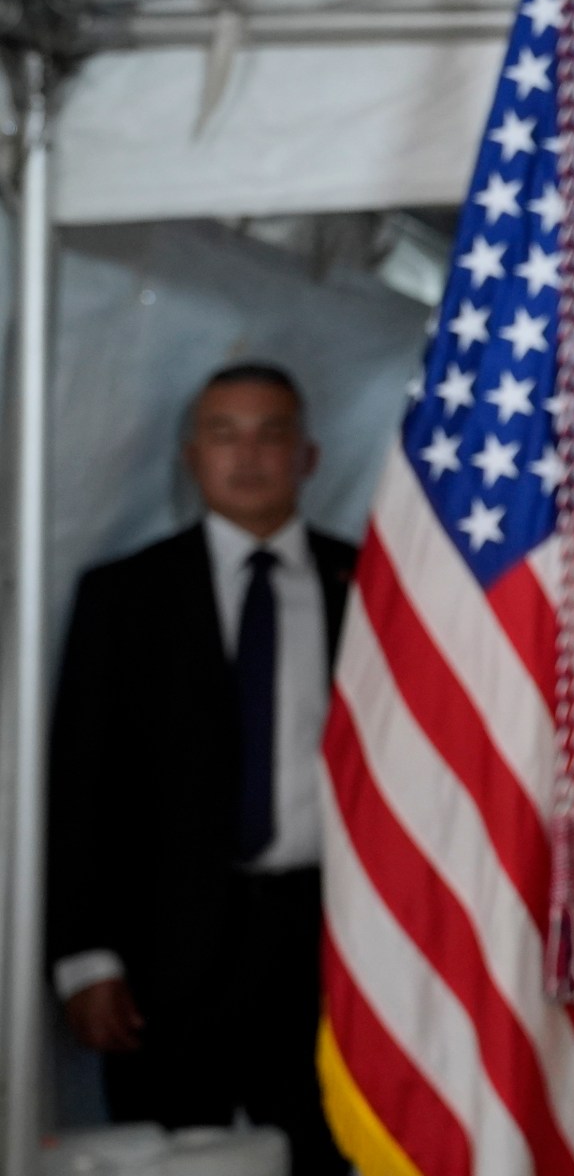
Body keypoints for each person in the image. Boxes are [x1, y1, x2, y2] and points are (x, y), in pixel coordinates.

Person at [48, 364, 356, 1175]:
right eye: (224, 433)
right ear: (191, 454)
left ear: (309, 456)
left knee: (327, 1153)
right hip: (164, 959)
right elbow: (81, 785)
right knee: (172, 1155)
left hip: (328, 949)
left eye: (271, 433)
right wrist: (85, 958)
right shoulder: (124, 595)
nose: (247, 455)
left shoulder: (365, 587)